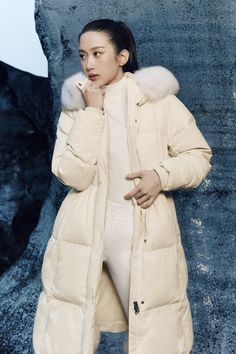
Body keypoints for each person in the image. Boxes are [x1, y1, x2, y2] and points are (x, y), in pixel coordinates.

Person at [32, 19, 212, 354]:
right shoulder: (76, 107)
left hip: (140, 231)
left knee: (153, 334)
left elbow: (198, 156)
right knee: (68, 331)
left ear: (122, 56)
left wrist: (161, 175)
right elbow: (73, 175)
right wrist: (92, 113)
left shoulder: (157, 100)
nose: (88, 64)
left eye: (98, 53)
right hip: (83, 231)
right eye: (83, 55)